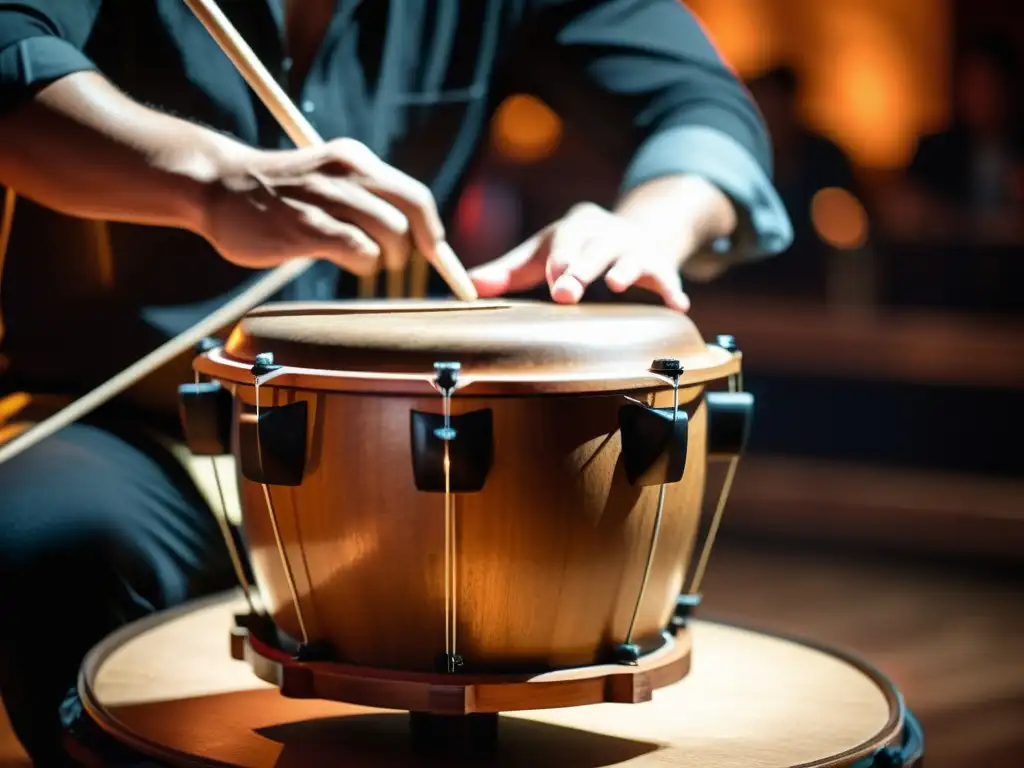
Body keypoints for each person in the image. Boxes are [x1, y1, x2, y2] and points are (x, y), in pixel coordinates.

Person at [0, 1, 792, 763]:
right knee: (50, 538)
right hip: (142, 424)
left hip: (402, 441)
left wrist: (645, 227)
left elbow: (703, 109)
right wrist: (210, 179)